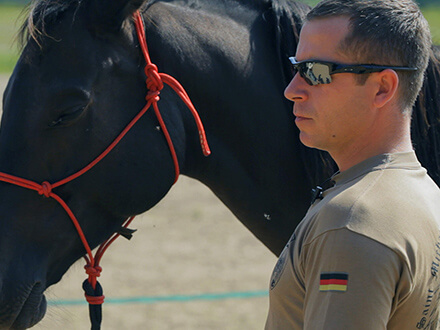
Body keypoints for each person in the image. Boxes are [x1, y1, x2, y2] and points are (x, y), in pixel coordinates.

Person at [265, 0, 440, 328]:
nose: (292, 90)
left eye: (315, 72)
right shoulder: (425, 193)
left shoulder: (352, 220)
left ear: (382, 88)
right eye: (295, 67)